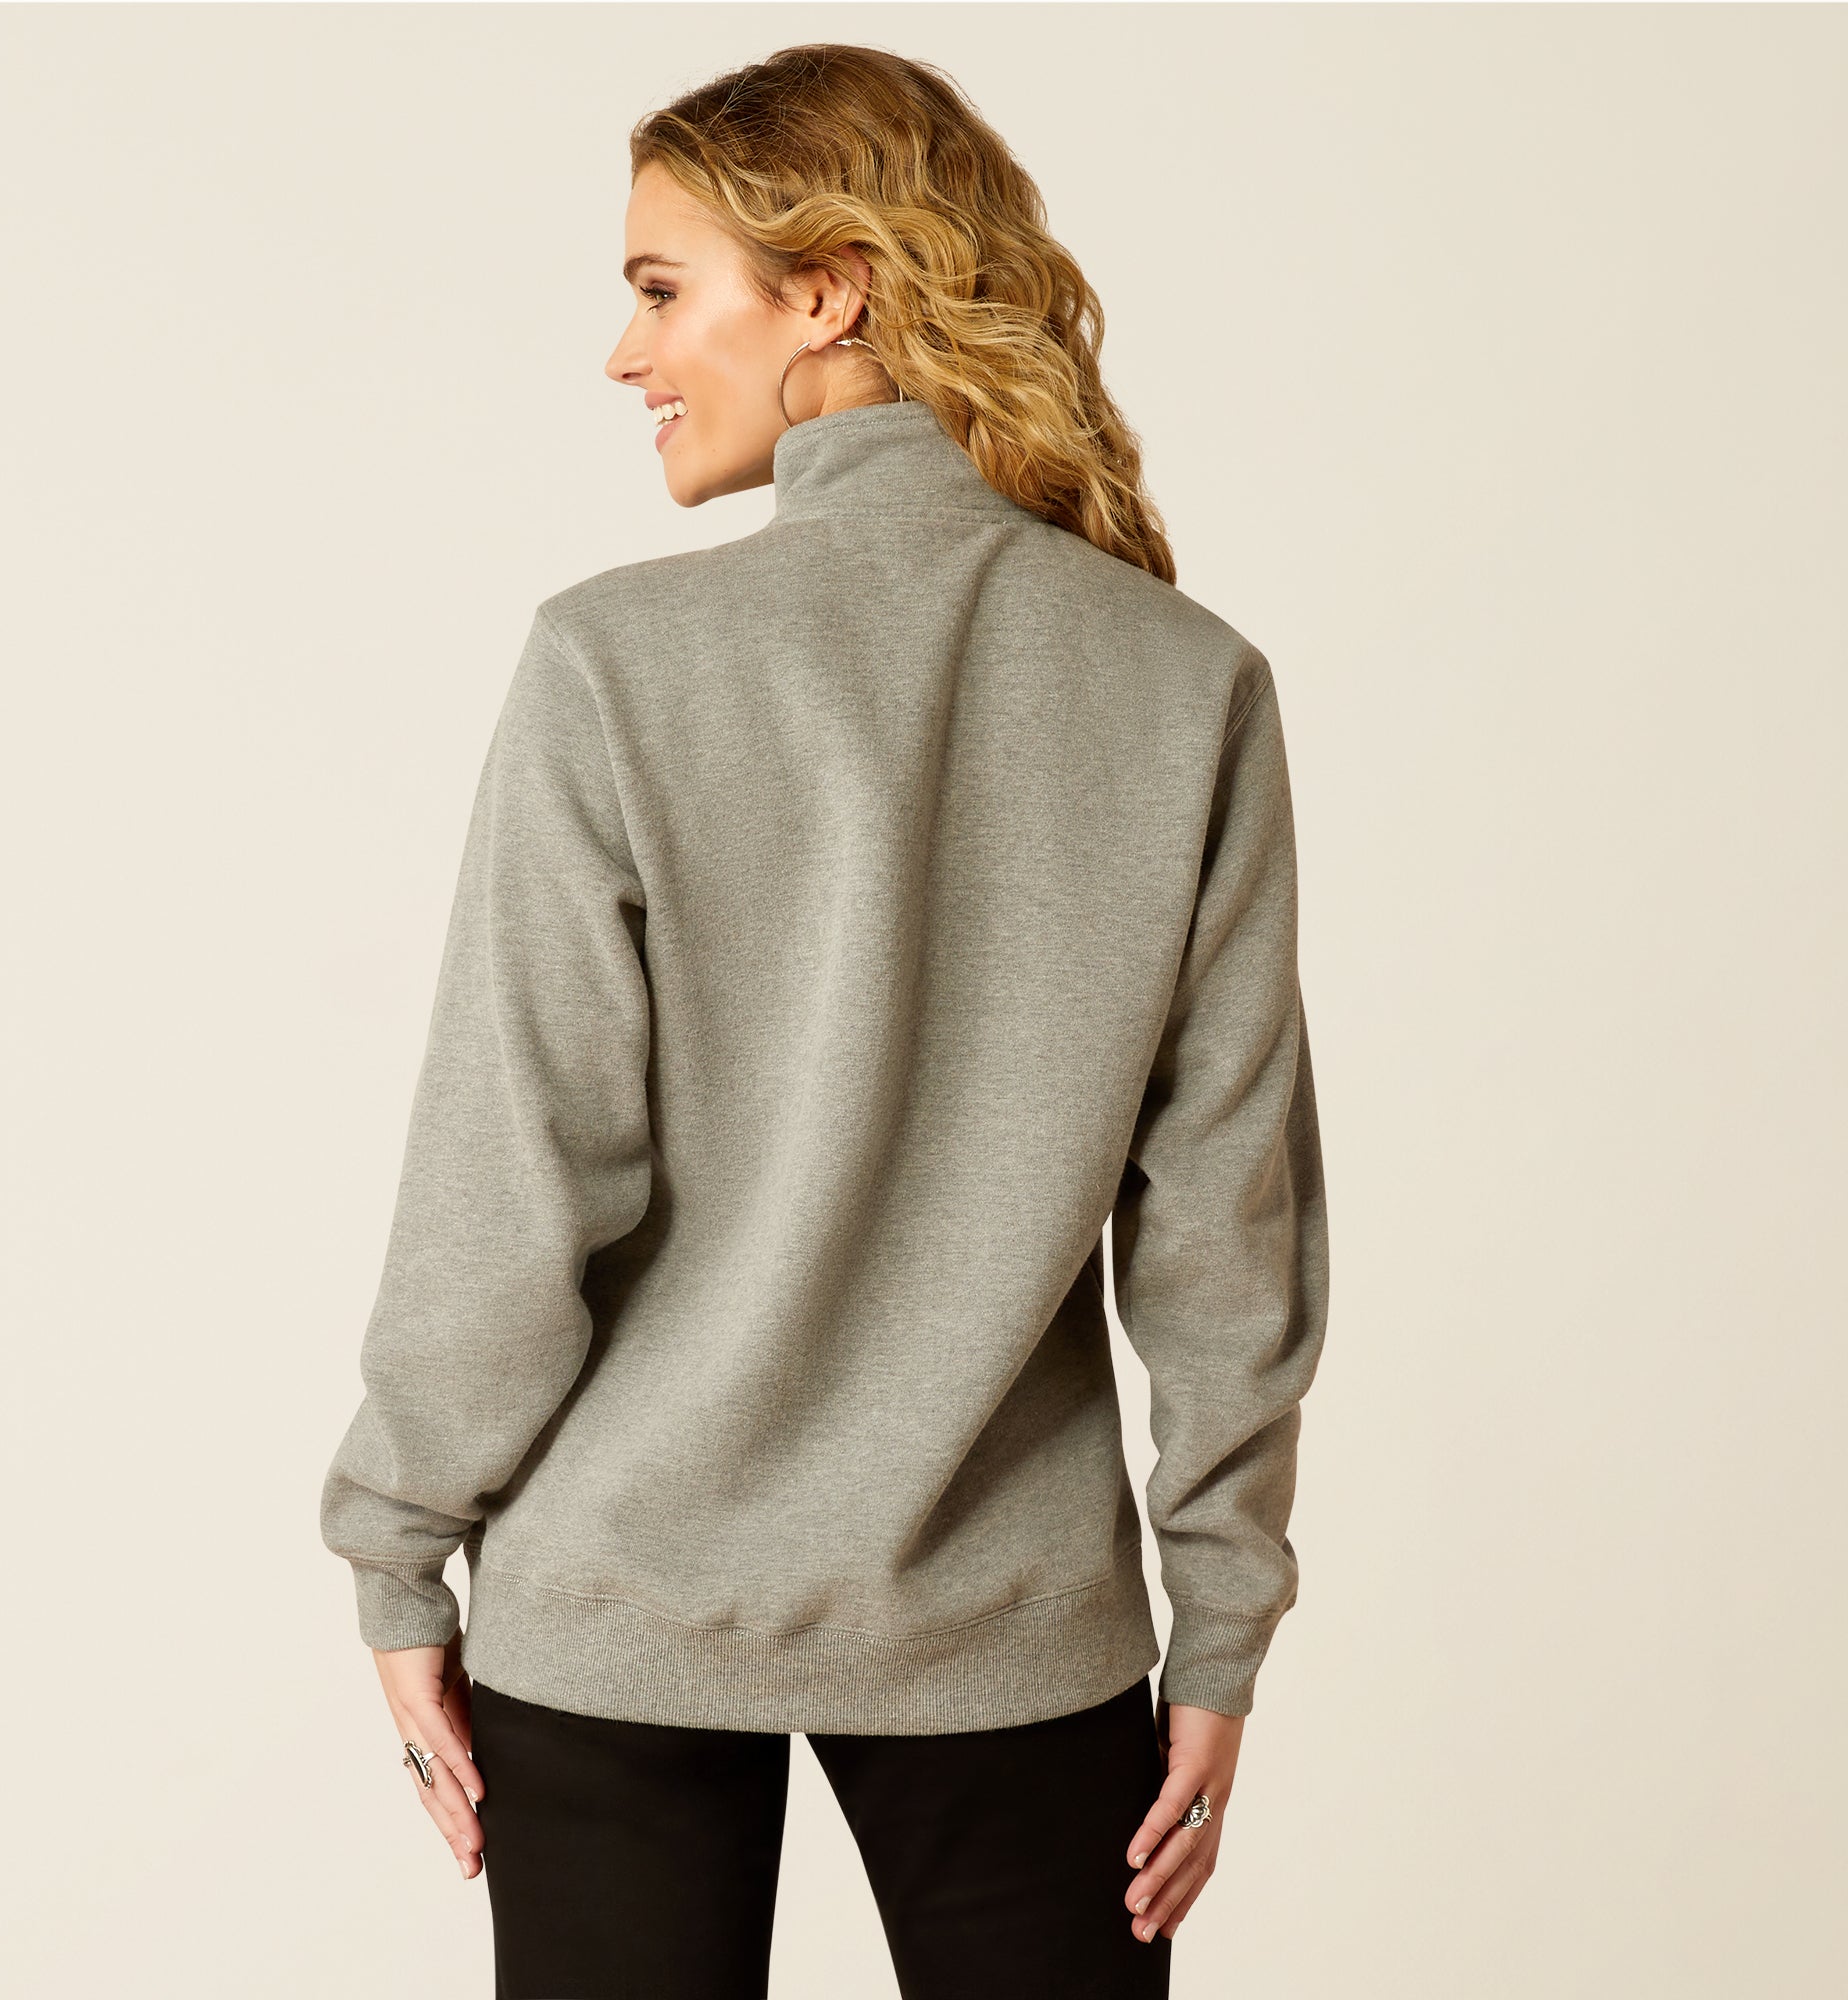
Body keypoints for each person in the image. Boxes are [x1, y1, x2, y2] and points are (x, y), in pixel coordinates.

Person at [318, 41, 1330, 2000]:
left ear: (831, 291)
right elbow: (1229, 1228)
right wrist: (1220, 1626)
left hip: (614, 1605)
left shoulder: (614, 663)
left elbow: (516, 1171)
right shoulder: (1182, 681)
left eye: (659, 286)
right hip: (1013, 1617)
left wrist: (395, 1540)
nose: (625, 351)